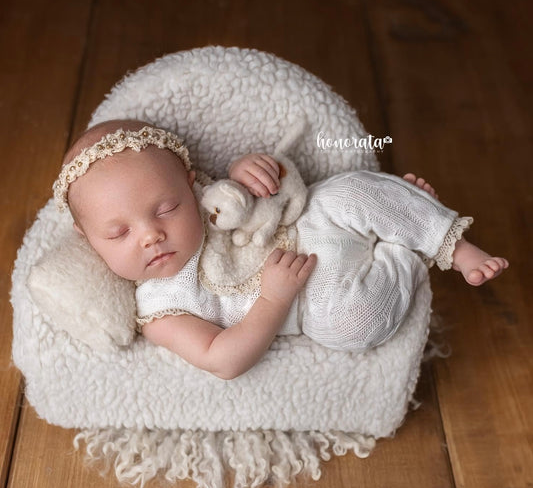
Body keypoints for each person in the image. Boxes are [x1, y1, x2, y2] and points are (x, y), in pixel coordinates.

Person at [55, 119, 509, 380]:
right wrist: (273, 299)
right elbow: (224, 359)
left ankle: (449, 242)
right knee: (352, 326)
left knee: (347, 191)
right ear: (87, 237)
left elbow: (241, 186)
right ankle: (405, 246)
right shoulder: (160, 309)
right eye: (118, 234)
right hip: (312, 298)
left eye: (167, 207)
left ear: (190, 186)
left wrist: (247, 169)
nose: (150, 235)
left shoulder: (206, 197)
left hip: (311, 221)